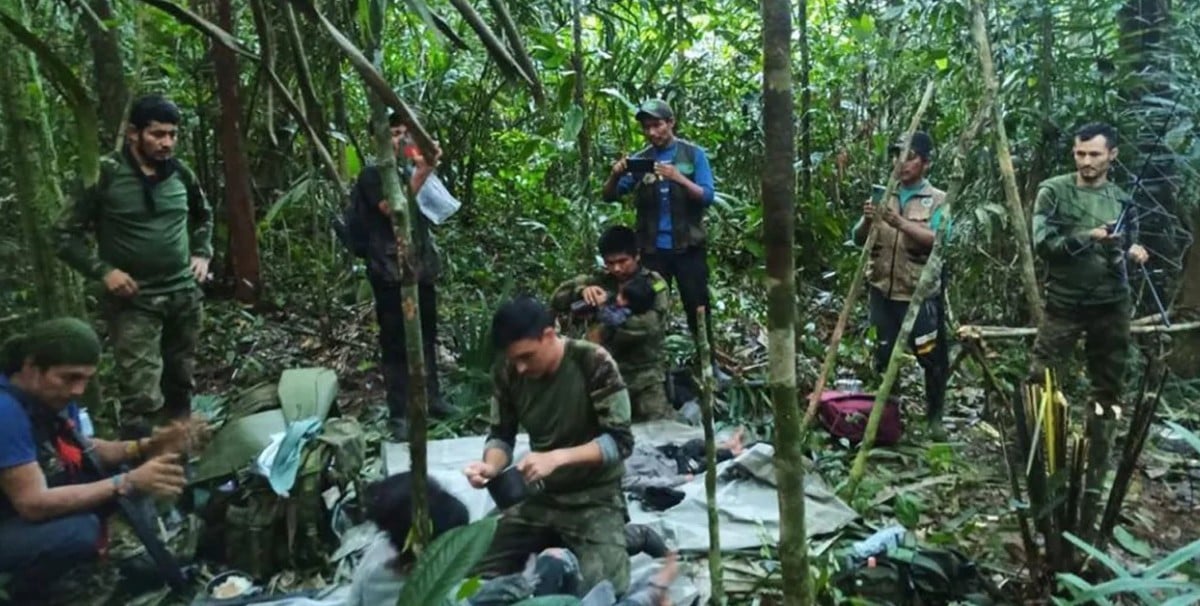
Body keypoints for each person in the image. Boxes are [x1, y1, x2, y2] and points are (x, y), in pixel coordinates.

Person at [0, 317, 208, 600]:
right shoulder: (6, 412)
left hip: (19, 504)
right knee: (79, 531)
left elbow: (83, 448)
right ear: (32, 367)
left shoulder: (48, 396)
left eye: (86, 379)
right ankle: (26, 592)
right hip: (15, 515)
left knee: (124, 473)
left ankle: (149, 553)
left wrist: (146, 446)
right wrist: (125, 482)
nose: (78, 390)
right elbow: (33, 504)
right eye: (70, 378)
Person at [54, 94, 212, 439]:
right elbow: (63, 235)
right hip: (135, 301)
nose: (166, 142)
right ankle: (141, 476)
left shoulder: (181, 174)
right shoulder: (104, 175)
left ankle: (179, 463)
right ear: (133, 134)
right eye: (157, 134)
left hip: (183, 296)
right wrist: (103, 271)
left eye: (172, 134)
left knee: (181, 383)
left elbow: (204, 216)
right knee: (142, 396)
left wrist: (202, 253)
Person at [464, 297, 634, 595]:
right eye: (513, 358)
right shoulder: (508, 371)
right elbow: (501, 435)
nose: (519, 367)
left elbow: (619, 442)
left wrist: (557, 458)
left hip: (594, 498)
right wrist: (490, 466)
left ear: (549, 335)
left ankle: (629, 537)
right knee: (466, 569)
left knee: (604, 589)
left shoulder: (592, 361)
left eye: (527, 356)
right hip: (539, 498)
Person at [344, 472, 677, 606]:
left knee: (558, 561)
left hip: (519, 570)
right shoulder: (397, 579)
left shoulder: (392, 554)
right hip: (507, 578)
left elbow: (633, 536)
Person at [346, 112, 454, 440]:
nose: (399, 140)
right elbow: (394, 209)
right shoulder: (371, 175)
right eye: (393, 133)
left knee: (427, 334)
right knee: (395, 343)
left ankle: (431, 398)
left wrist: (425, 167)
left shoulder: (408, 170)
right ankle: (398, 413)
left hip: (419, 268)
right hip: (389, 272)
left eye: (404, 133)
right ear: (377, 138)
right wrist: (423, 170)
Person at [601, 100, 724, 381]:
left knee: (698, 306)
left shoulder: (693, 155)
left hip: (688, 250)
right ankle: (650, 369)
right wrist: (616, 174)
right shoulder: (641, 160)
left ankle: (709, 366)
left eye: (657, 125)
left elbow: (706, 196)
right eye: (647, 127)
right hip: (653, 251)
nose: (652, 132)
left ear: (671, 123)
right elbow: (610, 195)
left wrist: (678, 177)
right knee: (647, 306)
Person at [1029, 122, 1148, 411]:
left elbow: (1129, 245)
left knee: (1108, 389)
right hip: (1065, 301)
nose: (1086, 161)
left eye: (1094, 154)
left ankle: (1098, 454)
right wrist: (1087, 237)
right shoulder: (1054, 191)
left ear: (1112, 155)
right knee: (1041, 380)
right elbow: (1043, 245)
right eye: (1080, 154)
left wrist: (1135, 252)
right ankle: (1032, 452)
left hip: (1111, 303)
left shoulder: (1122, 199)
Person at [851, 131, 951, 426]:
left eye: (909, 156)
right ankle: (890, 420)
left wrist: (899, 223)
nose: (901, 162)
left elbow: (939, 241)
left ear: (926, 163)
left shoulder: (938, 200)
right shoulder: (884, 194)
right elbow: (858, 239)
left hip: (918, 294)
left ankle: (934, 418)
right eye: (897, 155)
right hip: (882, 291)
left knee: (930, 358)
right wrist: (869, 219)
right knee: (883, 358)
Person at [551, 226, 671, 421]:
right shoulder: (600, 279)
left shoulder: (654, 284)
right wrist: (582, 291)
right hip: (604, 376)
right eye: (610, 263)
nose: (616, 268)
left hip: (644, 377)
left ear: (637, 256)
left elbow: (650, 326)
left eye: (623, 261)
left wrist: (606, 310)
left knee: (659, 433)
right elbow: (557, 299)